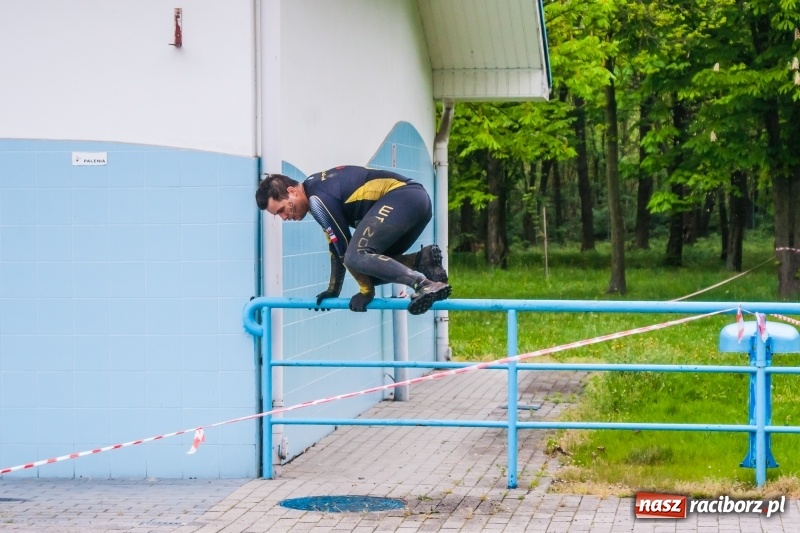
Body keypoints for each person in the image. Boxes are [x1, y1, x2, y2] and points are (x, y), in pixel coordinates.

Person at [255, 165, 450, 314]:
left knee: (357, 257)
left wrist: (366, 291)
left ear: (291, 191)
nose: (284, 218)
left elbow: (347, 251)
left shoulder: (317, 200)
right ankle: (421, 260)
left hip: (404, 197)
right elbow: (336, 248)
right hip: (417, 202)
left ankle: (425, 285)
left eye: (281, 209)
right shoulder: (317, 193)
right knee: (370, 266)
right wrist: (333, 289)